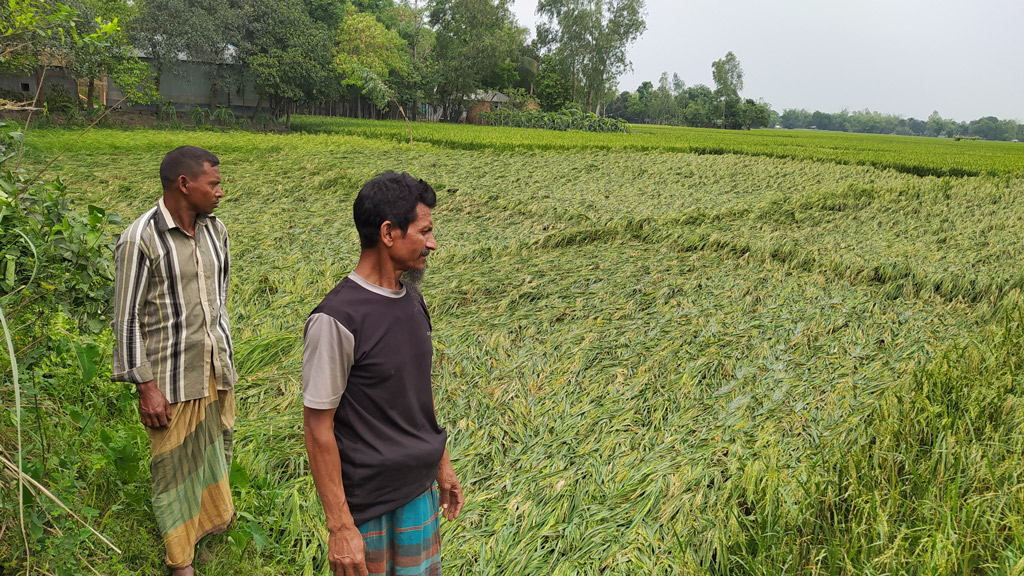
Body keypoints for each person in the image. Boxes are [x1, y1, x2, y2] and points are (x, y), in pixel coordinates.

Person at [302, 171, 464, 576]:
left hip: (418, 492)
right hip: (368, 507)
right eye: (424, 231)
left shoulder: (412, 300)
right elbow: (317, 428)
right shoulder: (336, 319)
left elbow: (416, 396)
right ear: (389, 232)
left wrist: (441, 464)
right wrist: (340, 526)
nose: (432, 242)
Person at [111, 146, 237, 576]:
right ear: (185, 184)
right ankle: (180, 562)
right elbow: (126, 318)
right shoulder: (140, 237)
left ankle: (202, 534)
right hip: (169, 379)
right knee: (173, 471)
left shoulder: (216, 231)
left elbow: (217, 302)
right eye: (214, 183)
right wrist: (146, 387)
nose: (221, 192)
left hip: (214, 368)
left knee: (210, 457)